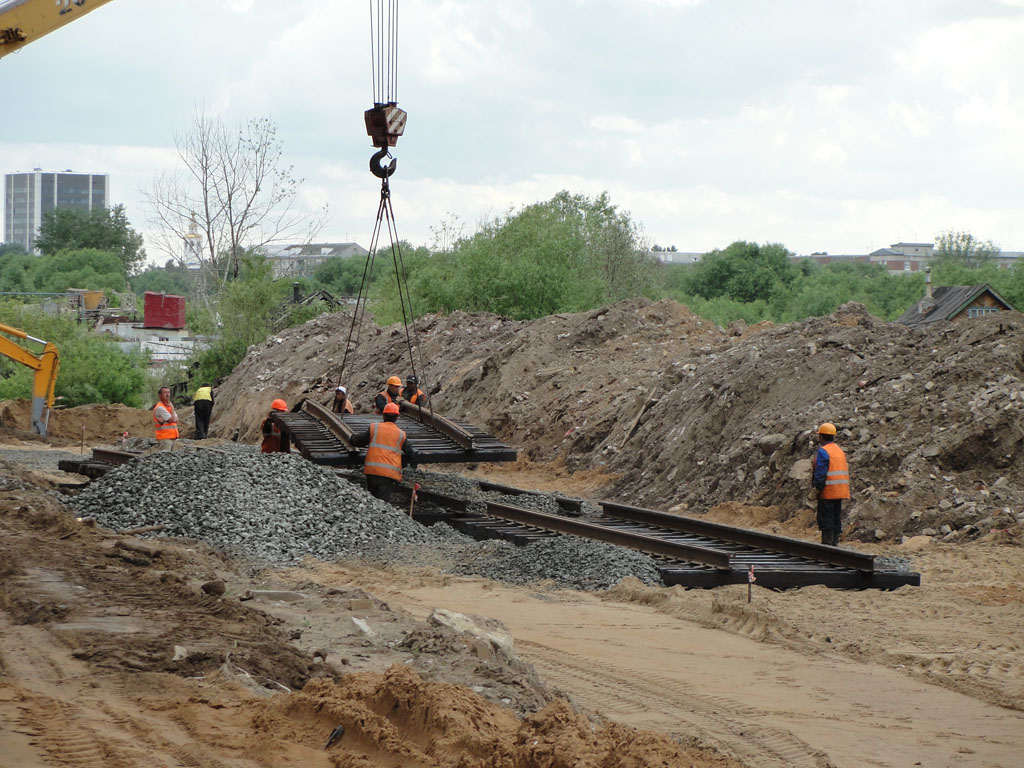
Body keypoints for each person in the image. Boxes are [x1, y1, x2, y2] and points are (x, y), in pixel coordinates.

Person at [349, 402, 416, 502]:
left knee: (373, 501)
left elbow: (358, 441)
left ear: (383, 415)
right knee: (382, 504)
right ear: (397, 417)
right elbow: (411, 454)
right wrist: (401, 463)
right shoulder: (401, 434)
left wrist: (352, 438)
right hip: (388, 474)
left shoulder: (374, 428)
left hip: (372, 471)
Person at [811, 422, 850, 546]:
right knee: (835, 518)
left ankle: (827, 545)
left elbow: (821, 472)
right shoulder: (839, 451)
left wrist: (817, 488)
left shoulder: (823, 451)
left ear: (821, 437)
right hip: (840, 491)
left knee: (826, 519)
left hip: (828, 491)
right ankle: (834, 544)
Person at [153, 386, 179, 451]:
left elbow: (176, 420)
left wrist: (169, 418)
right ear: (160, 395)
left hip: (172, 437)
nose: (167, 394)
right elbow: (173, 419)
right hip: (165, 438)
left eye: (168, 392)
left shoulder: (168, 406)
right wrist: (172, 409)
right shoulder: (160, 407)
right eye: (165, 392)